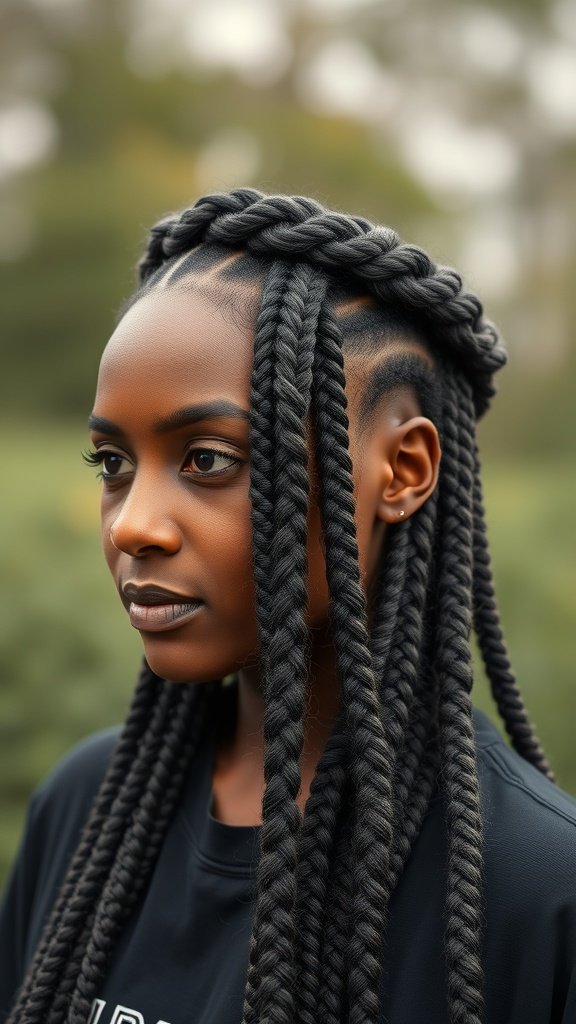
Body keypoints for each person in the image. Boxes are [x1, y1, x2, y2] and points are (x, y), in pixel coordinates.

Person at [1, 188, 575, 1024]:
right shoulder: (82, 811)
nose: (134, 525)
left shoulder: (535, 889)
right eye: (112, 465)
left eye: (206, 459)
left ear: (403, 471)